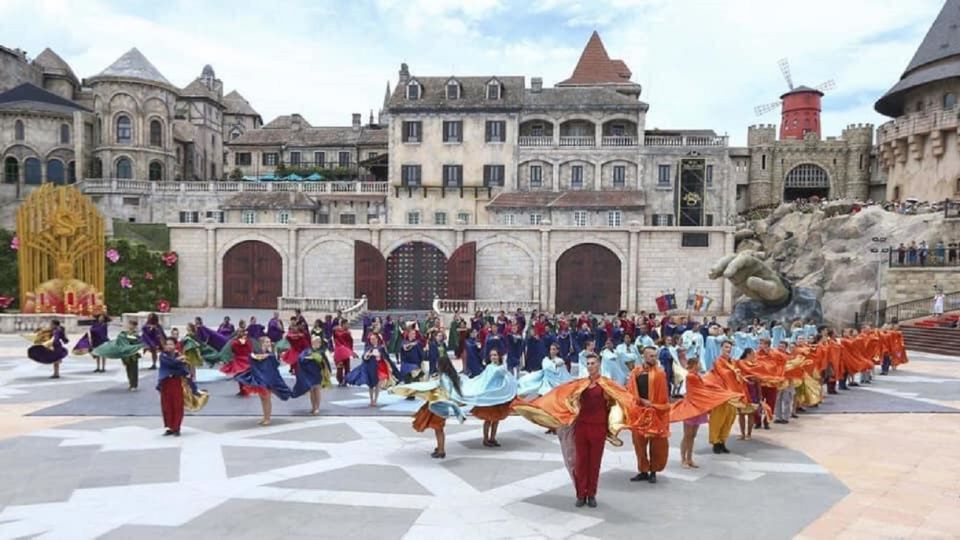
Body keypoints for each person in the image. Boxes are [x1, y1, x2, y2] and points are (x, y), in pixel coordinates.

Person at [512, 352, 653, 509]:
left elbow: (625, 396)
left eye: (593, 363)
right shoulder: (579, 384)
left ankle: (591, 494)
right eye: (588, 364)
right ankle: (581, 494)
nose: (590, 366)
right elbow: (560, 395)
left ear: (599, 365)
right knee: (581, 462)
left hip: (598, 428)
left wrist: (641, 402)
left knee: (594, 463)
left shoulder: (606, 384)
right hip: (581, 427)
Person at [389, 353, 466, 459]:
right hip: (440, 406)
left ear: (441, 365)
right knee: (438, 428)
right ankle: (440, 447)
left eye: (438, 364)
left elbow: (445, 391)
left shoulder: (444, 378)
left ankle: (441, 450)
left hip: (439, 406)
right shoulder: (449, 377)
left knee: (438, 429)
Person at [627, 346, 671, 484]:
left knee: (656, 443)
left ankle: (653, 471)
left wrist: (654, 405)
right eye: (651, 356)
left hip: (656, 412)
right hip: (639, 413)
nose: (654, 358)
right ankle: (643, 470)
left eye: (655, 355)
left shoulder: (660, 373)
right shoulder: (636, 372)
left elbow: (664, 396)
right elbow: (631, 391)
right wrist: (640, 401)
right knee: (639, 443)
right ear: (644, 356)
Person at [704, 340, 751, 454]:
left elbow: (739, 373)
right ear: (721, 348)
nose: (728, 350)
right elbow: (723, 373)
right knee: (718, 419)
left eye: (729, 348)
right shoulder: (718, 361)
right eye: (726, 347)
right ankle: (716, 442)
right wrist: (735, 372)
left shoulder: (733, 362)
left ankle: (723, 441)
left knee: (729, 419)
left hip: (732, 394)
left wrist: (738, 373)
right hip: (721, 394)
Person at [465, 349, 516, 448]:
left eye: (495, 355)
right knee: (488, 419)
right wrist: (480, 392)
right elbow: (484, 380)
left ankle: (493, 438)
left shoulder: (501, 368)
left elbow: (508, 378)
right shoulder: (489, 367)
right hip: (489, 397)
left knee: (496, 419)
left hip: (498, 397)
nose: (493, 357)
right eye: (491, 355)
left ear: (499, 356)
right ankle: (485, 439)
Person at [93, 320, 143, 391]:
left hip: (133, 354)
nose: (129, 326)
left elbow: (136, 340)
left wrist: (125, 337)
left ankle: (134, 385)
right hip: (125, 355)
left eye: (131, 325)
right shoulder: (124, 334)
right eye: (129, 324)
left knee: (134, 369)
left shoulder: (135, 335)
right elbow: (120, 341)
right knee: (128, 369)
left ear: (134, 326)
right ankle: (130, 383)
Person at [157, 338, 190, 436]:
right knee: (166, 405)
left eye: (171, 344)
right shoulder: (163, 355)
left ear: (175, 345)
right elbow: (170, 364)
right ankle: (170, 427)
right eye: (167, 344)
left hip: (176, 382)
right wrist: (178, 361)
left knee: (177, 405)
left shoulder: (179, 355)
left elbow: (183, 370)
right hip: (165, 382)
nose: (168, 346)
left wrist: (178, 363)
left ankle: (177, 427)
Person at [292, 336, 333, 415]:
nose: (318, 343)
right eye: (316, 341)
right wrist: (307, 358)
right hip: (309, 373)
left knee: (317, 390)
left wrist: (328, 371)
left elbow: (325, 362)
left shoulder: (322, 351)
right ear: (312, 342)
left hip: (317, 373)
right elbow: (300, 358)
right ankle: (313, 407)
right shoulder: (307, 350)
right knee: (311, 390)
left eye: (319, 341)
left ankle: (317, 408)